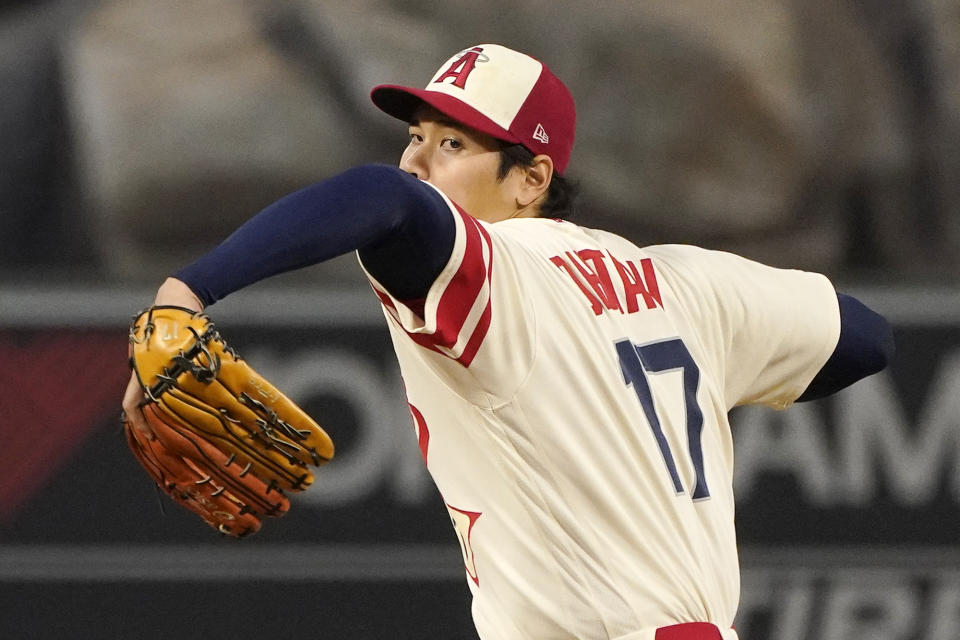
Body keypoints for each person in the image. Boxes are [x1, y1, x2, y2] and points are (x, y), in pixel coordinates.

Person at [122, 43, 893, 640]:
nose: (419, 161)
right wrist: (707, 381)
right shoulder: (688, 286)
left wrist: (185, 293)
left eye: (453, 146)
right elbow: (864, 337)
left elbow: (386, 198)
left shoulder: (504, 278)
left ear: (531, 180)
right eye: (416, 136)